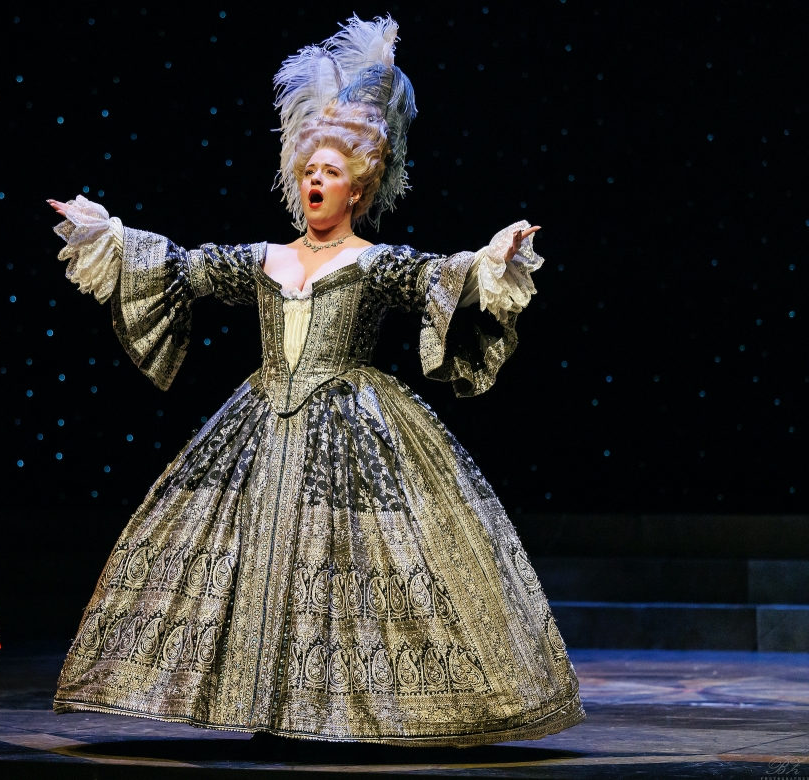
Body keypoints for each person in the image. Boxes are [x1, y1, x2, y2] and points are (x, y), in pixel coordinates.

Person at [46, 16, 581, 746]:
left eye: (330, 171)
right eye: (308, 171)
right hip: (263, 416)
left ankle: (336, 710)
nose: (316, 181)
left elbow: (441, 278)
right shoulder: (265, 258)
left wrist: (495, 256)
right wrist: (103, 231)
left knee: (342, 560)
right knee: (249, 556)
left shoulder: (373, 261)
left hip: (354, 420)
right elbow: (179, 267)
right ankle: (259, 704)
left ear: (357, 187)